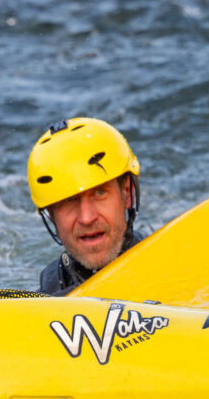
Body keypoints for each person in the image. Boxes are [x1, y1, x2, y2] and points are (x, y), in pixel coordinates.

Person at [27, 117, 142, 295]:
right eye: (68, 200)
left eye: (100, 193)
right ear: (51, 214)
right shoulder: (48, 295)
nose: (87, 218)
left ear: (127, 193)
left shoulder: (171, 263)